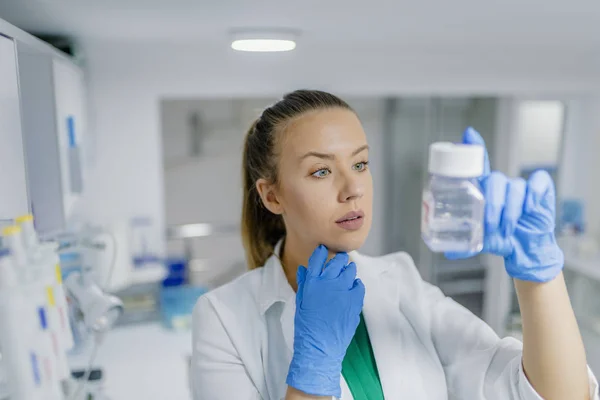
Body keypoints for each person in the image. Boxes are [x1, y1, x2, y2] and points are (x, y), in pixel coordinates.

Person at [191, 90, 599, 400]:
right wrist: (312, 369)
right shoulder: (224, 318)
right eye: (320, 171)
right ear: (272, 196)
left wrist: (538, 277)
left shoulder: (402, 281)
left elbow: (555, 393)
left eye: (360, 164)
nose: (353, 189)